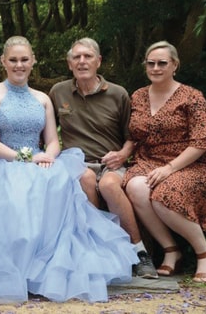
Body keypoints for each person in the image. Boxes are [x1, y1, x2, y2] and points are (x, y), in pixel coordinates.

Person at [0, 36, 139, 303]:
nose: (19, 65)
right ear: (3, 62)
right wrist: (26, 157)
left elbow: (53, 140)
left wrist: (49, 157)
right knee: (17, 202)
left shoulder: (43, 98)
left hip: (42, 162)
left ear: (32, 61)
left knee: (60, 187)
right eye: (13, 60)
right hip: (5, 163)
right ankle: (18, 271)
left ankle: (48, 270)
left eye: (24, 60)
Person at [49, 37, 158, 279]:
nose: (82, 61)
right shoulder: (59, 92)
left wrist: (122, 154)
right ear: (69, 64)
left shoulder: (118, 94)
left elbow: (133, 136)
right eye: (76, 57)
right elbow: (48, 133)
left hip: (112, 164)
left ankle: (139, 252)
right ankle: (95, 250)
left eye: (87, 56)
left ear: (98, 61)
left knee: (109, 185)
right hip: (76, 162)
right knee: (84, 178)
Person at [123, 41, 206, 282]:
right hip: (149, 160)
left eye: (162, 63)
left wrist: (169, 168)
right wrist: (123, 153)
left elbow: (202, 140)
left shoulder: (192, 96)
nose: (156, 68)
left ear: (174, 65)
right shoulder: (138, 96)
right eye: (151, 63)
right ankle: (171, 250)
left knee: (163, 196)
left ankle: (205, 254)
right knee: (135, 187)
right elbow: (134, 137)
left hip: (191, 164)